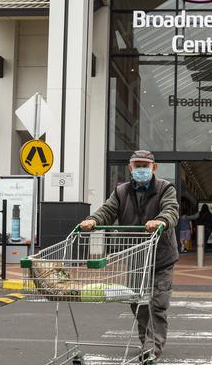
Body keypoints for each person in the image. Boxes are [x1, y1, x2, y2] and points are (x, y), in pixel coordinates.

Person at [79, 150, 179, 363]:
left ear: (154, 167)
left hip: (161, 256)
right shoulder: (121, 191)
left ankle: (153, 347)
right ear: (130, 167)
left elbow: (171, 210)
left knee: (157, 303)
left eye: (145, 165)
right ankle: (146, 341)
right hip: (135, 257)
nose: (141, 169)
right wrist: (93, 220)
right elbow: (107, 210)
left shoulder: (165, 188)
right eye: (137, 165)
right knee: (138, 302)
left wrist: (161, 221)